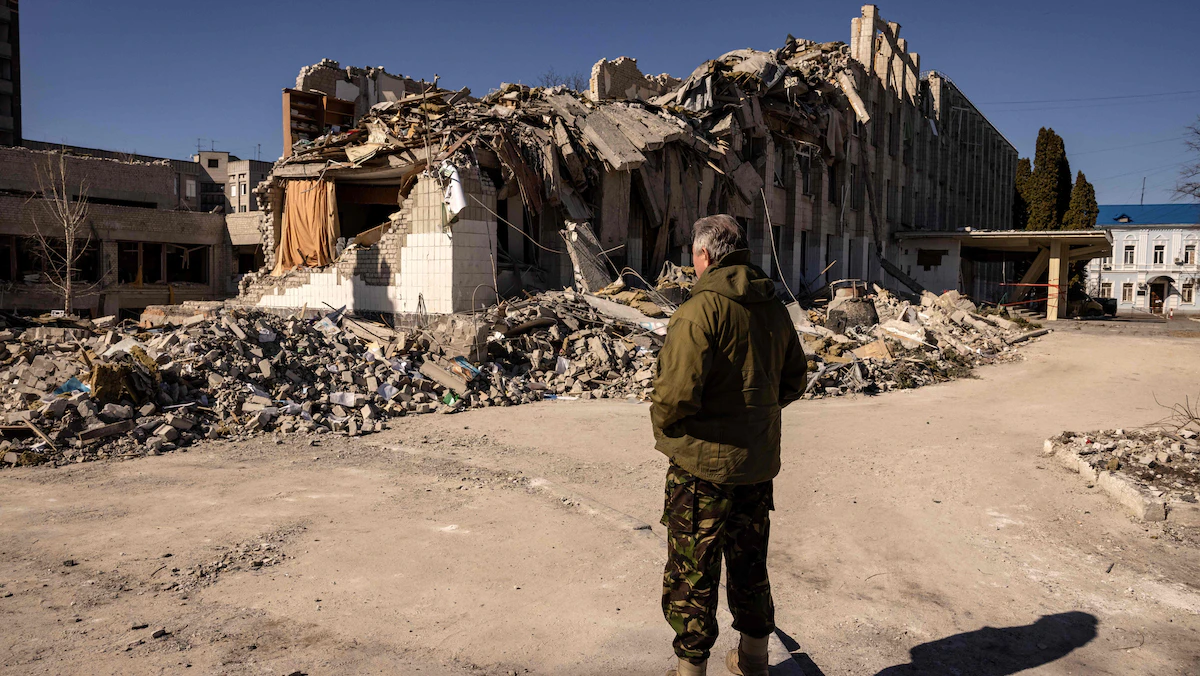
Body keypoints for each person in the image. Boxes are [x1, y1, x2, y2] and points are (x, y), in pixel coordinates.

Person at [650, 214, 808, 676]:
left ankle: (690, 672)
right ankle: (754, 661)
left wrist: (666, 429)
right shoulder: (773, 307)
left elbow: (674, 396)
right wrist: (756, 417)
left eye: (693, 256)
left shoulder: (700, 310)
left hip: (701, 468)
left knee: (692, 572)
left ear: (704, 255)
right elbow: (794, 380)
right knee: (749, 564)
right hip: (755, 465)